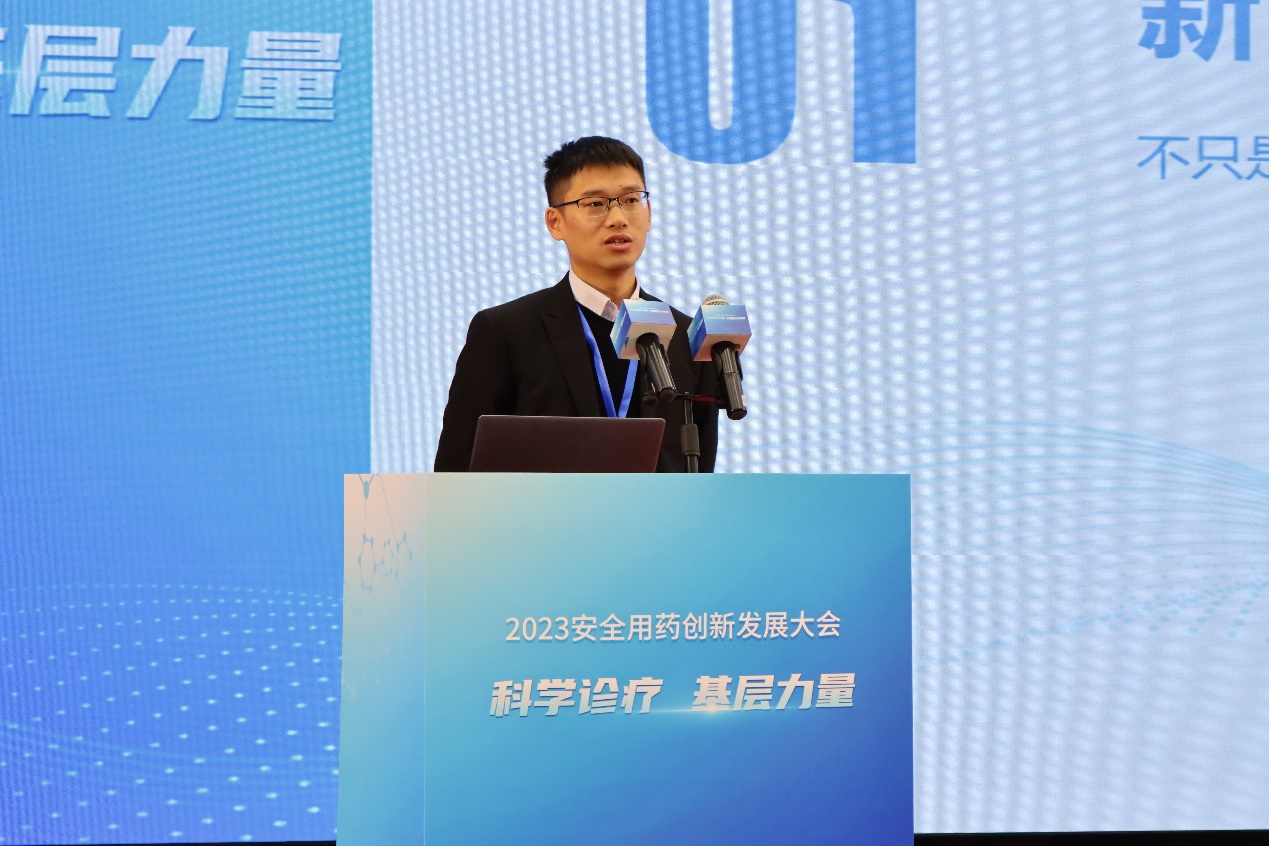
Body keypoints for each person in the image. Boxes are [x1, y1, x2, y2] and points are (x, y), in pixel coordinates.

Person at [434, 136, 719, 472]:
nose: (618, 218)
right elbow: (455, 471)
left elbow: (700, 474)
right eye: (595, 204)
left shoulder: (686, 336)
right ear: (555, 222)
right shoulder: (506, 332)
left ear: (649, 213)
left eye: (631, 199)